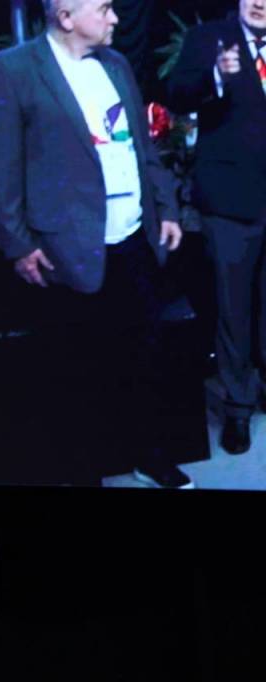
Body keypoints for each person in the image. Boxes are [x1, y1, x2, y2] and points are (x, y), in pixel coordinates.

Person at [0, 0, 194, 488]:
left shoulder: (116, 64)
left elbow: (141, 145)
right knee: (76, 368)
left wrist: (167, 208)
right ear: (66, 17)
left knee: (146, 354)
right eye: (104, 9)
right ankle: (85, 472)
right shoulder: (11, 71)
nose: (115, 18)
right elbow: (1, 166)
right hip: (65, 249)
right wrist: (17, 244)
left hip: (133, 238)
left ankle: (149, 456)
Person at [165, 0, 266, 454]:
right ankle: (238, 408)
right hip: (229, 204)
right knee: (233, 311)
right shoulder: (209, 40)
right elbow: (176, 95)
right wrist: (217, 77)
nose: (259, 2)